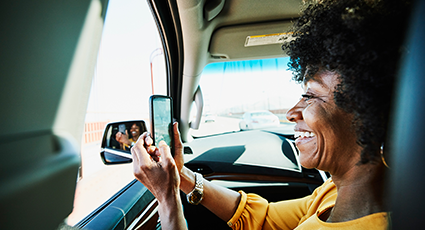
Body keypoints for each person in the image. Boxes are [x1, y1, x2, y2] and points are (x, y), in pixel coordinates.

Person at [130, 0, 410, 229]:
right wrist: (183, 176)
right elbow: (263, 217)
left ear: (368, 110)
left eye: (310, 96)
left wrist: (167, 198)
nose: (291, 113)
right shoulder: (335, 192)